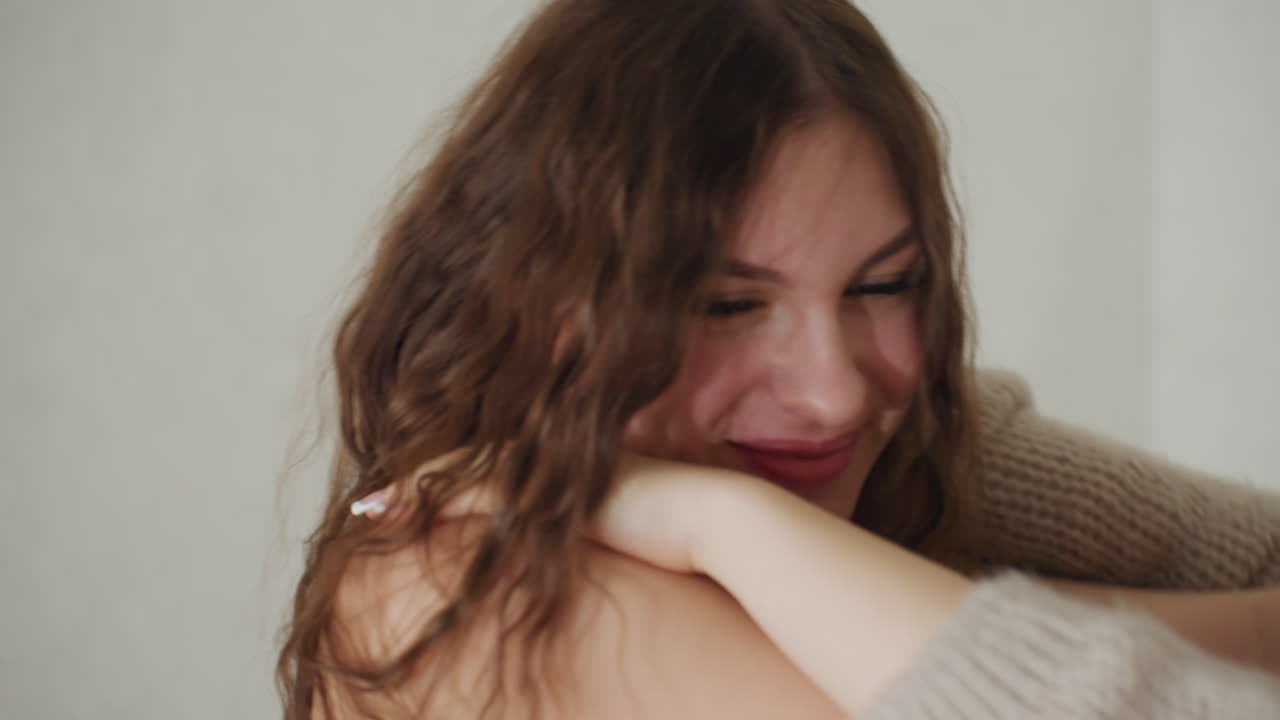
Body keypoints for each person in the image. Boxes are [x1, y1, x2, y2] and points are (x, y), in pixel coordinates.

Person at [276, 0, 1280, 717]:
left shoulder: (884, 445)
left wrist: (747, 534)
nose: (832, 389)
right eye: (725, 304)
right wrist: (733, 529)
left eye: (883, 286)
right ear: (543, 307)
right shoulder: (460, 587)